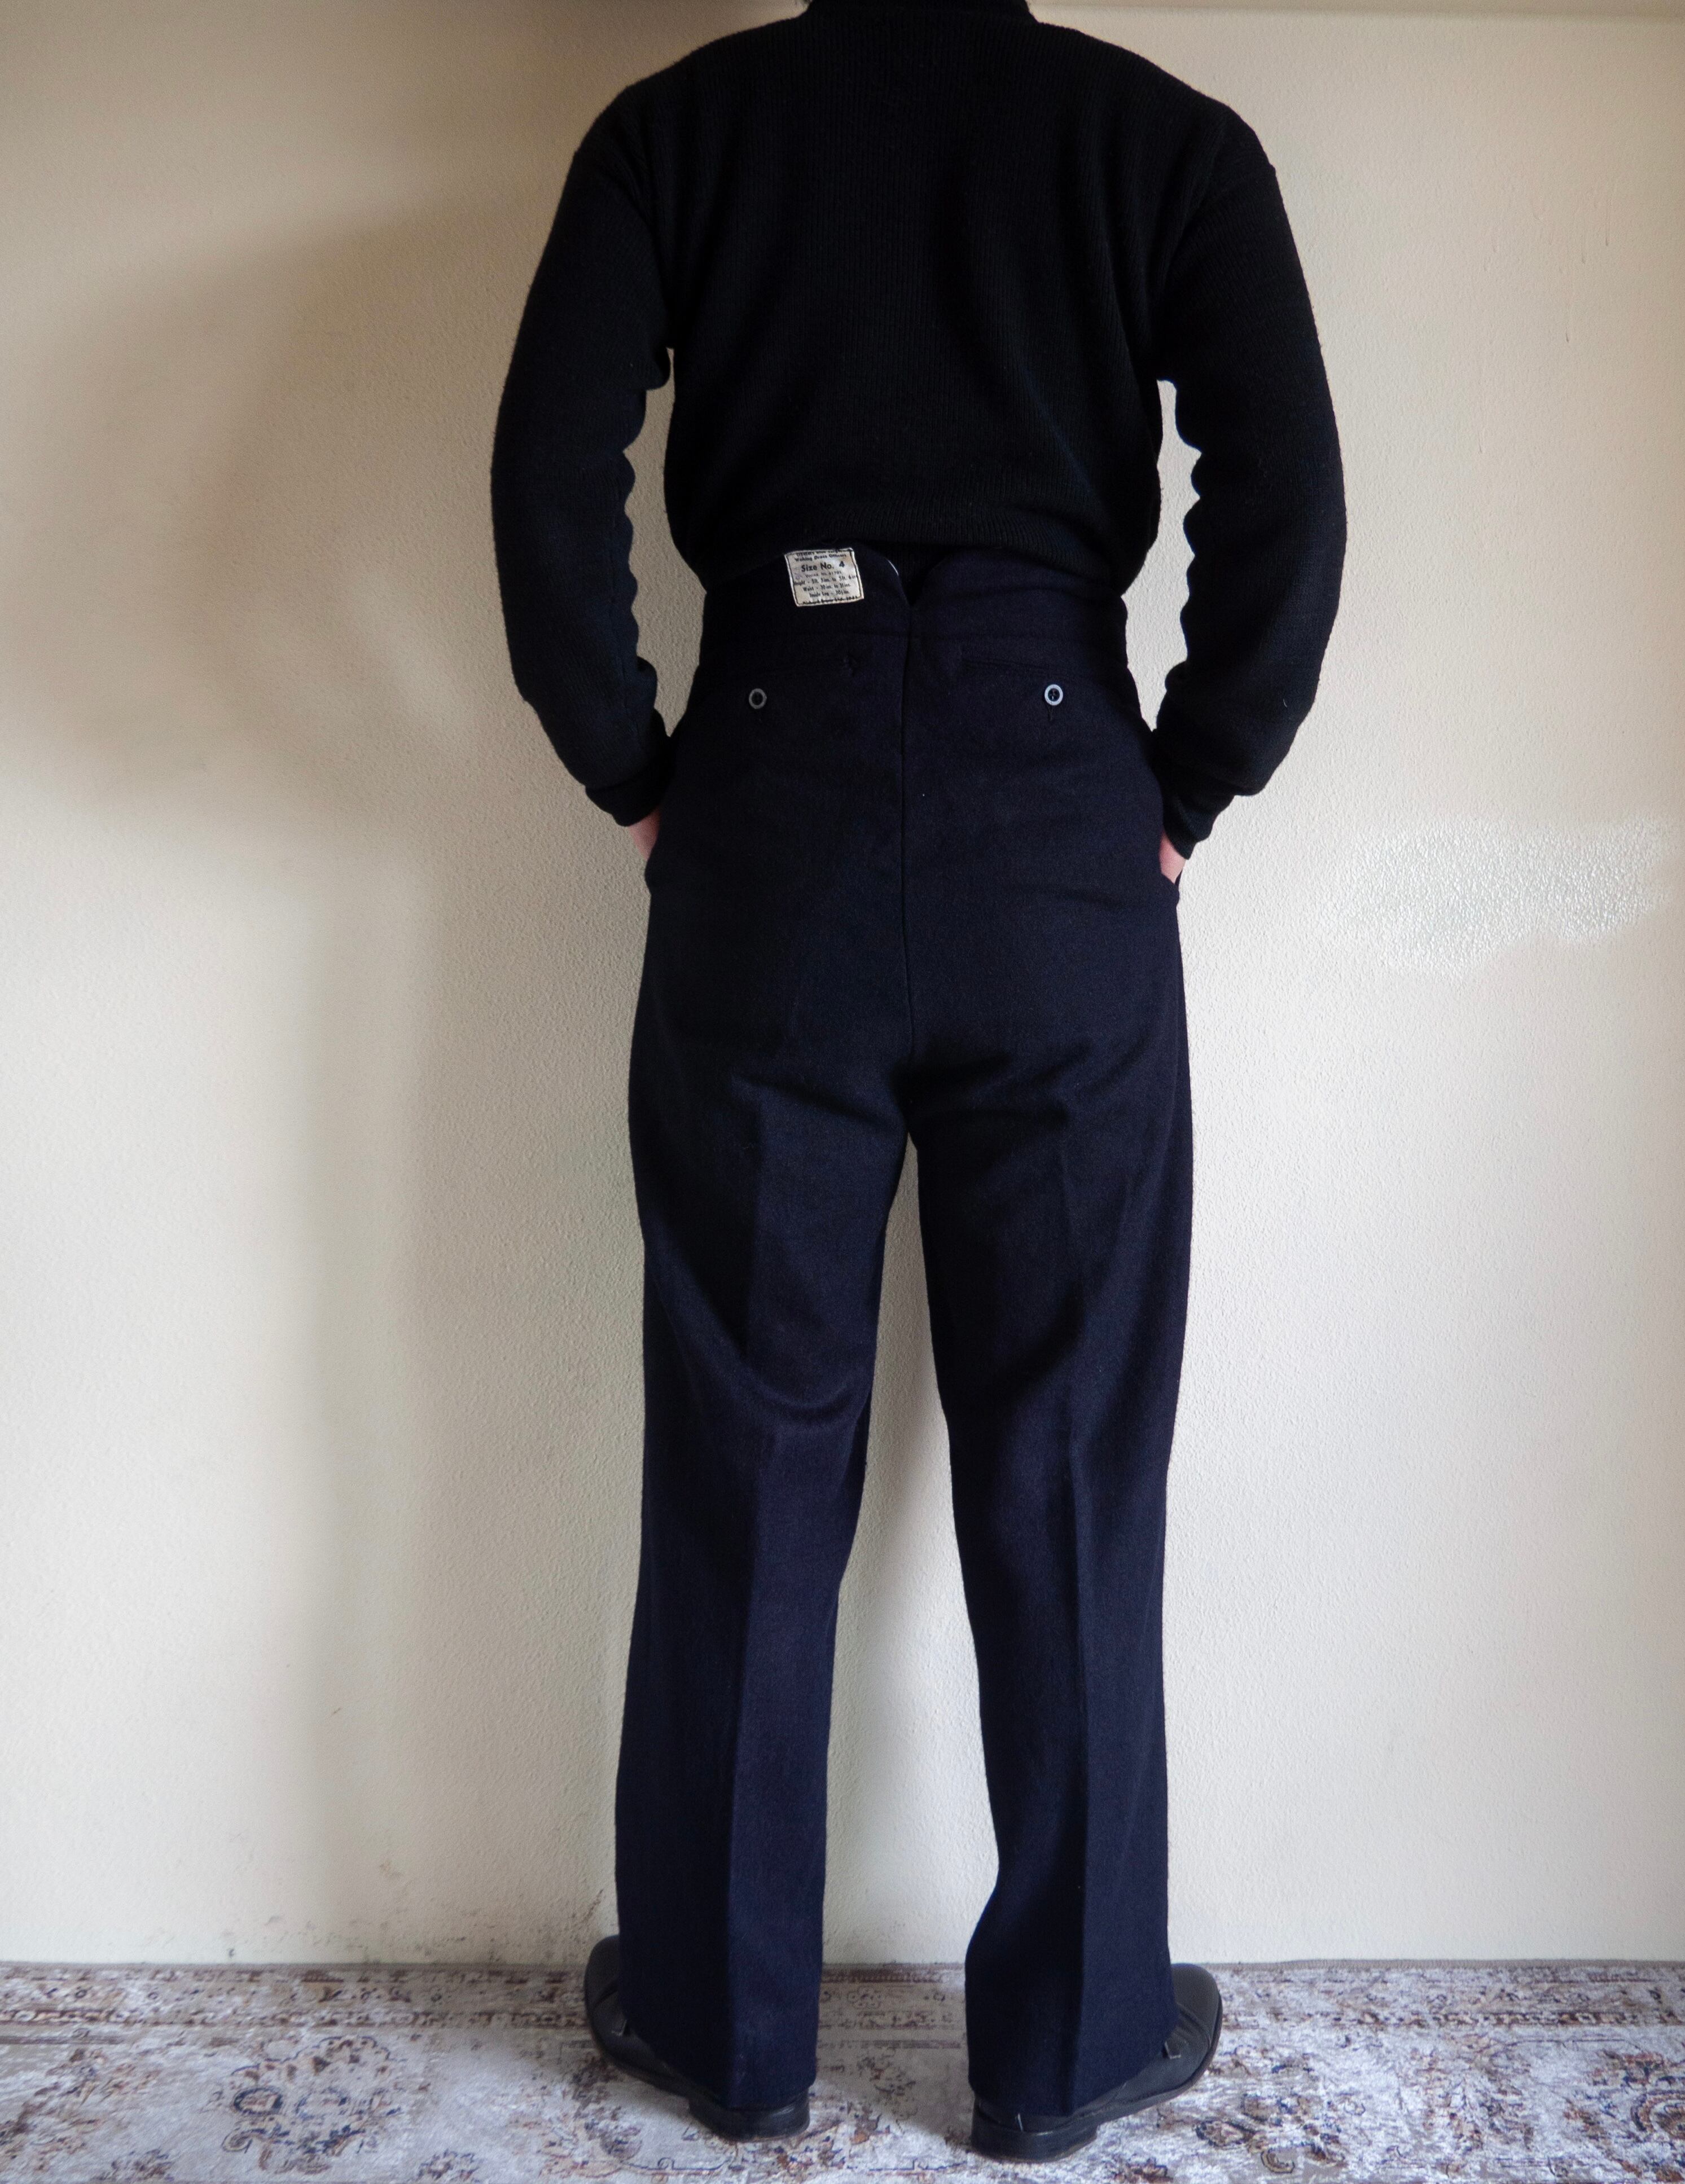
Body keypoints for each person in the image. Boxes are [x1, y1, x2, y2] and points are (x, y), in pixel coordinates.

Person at [489, 0, 1344, 2163]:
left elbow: (545, 475)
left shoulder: (677, 132)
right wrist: (1185, 782)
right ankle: (1071, 2045)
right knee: (1068, 1445)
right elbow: (1289, 500)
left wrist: (634, 768)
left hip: (768, 783)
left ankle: (721, 2028)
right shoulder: (1160, 142)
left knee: (747, 1432)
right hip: (1056, 805)